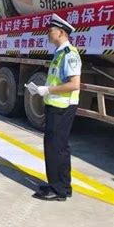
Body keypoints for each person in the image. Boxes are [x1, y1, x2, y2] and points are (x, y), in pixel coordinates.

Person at [27, 13, 82, 201]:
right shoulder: (59, 53)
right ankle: (62, 185)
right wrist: (42, 91)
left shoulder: (69, 54)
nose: (48, 34)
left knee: (55, 147)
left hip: (62, 108)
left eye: (50, 31)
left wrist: (48, 89)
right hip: (55, 106)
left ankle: (58, 190)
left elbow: (74, 84)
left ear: (60, 32)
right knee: (58, 147)